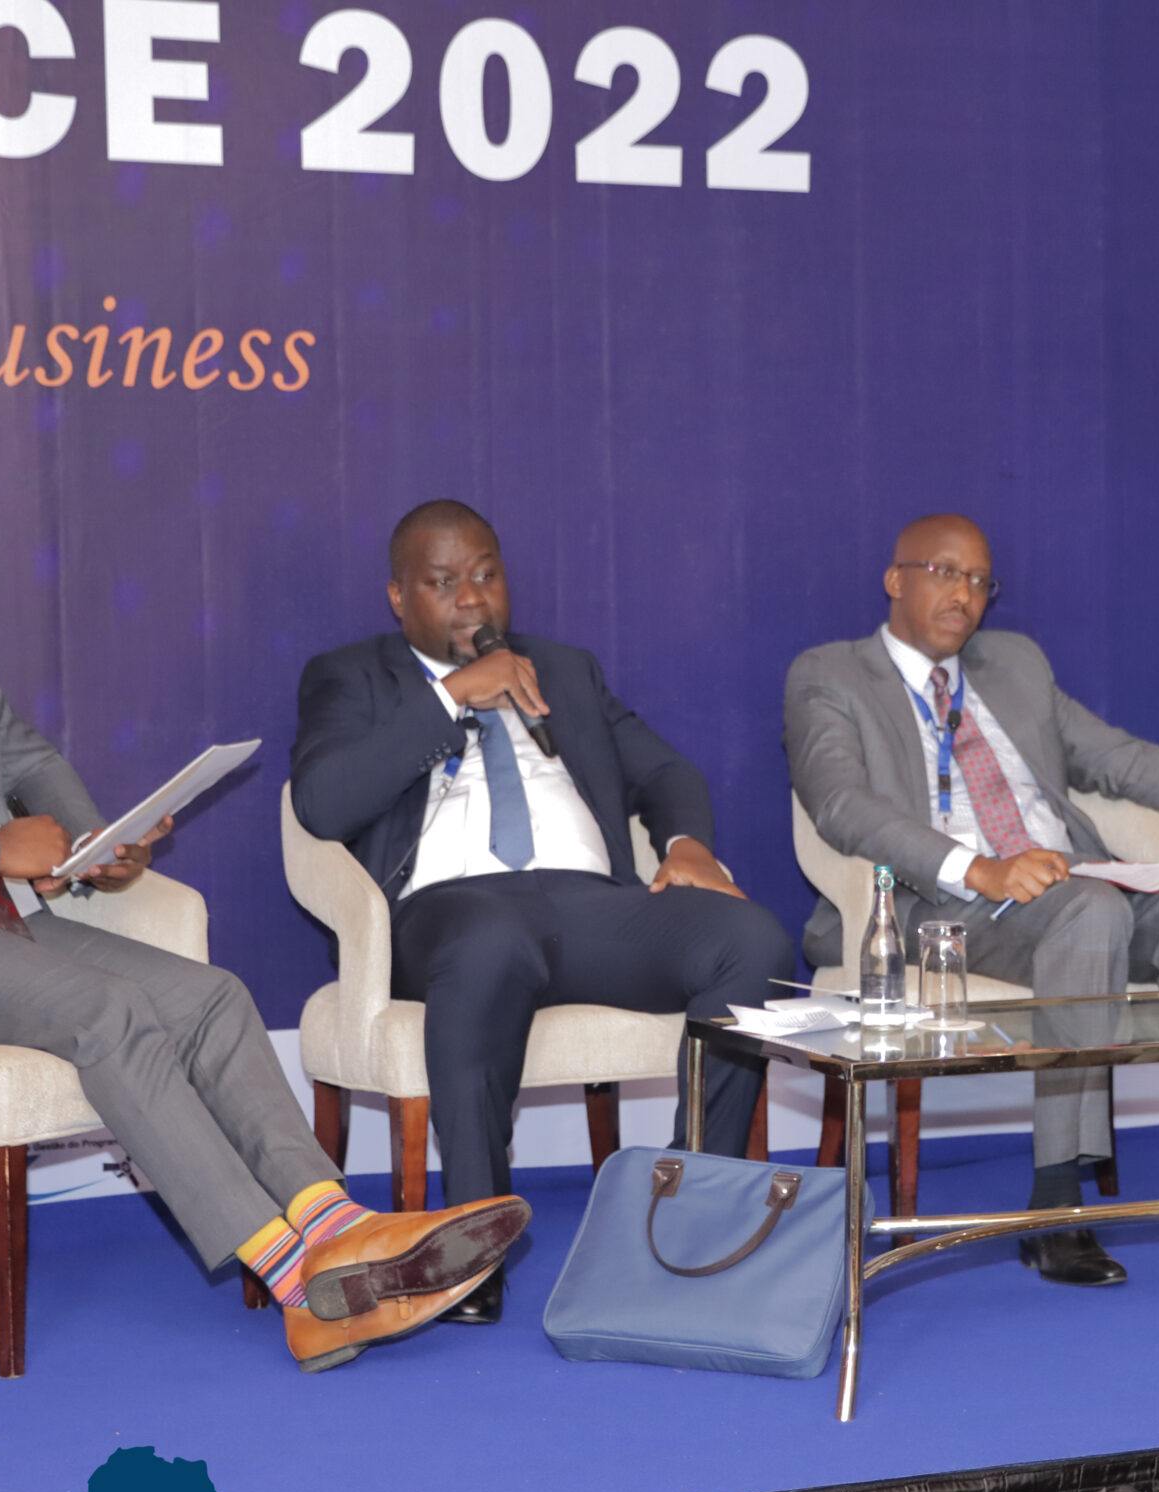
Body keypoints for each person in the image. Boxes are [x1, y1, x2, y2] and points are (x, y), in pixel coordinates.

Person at [0, 437, 524, 1372]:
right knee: (106, 1011)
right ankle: (305, 1288)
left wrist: (95, 838)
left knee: (212, 998)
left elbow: (20, 751)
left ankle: (339, 1228)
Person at [783, 513, 1159, 1287]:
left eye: (980, 581)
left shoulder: (1014, 664)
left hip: (1066, 883)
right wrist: (980, 869)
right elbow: (840, 803)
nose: (964, 594)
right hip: (941, 903)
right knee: (1092, 909)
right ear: (895, 579)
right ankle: (1055, 1205)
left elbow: (1122, 759)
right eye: (945, 573)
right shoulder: (831, 674)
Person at [291, 500, 796, 1321]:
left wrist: (686, 844)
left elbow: (664, 771)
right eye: (444, 582)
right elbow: (321, 801)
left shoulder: (563, 668)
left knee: (752, 940)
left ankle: (695, 1204)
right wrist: (451, 697)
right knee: (489, 940)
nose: (472, 598)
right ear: (398, 597)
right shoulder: (350, 676)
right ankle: (474, 1242)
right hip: (446, 912)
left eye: (486, 575)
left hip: (591, 904)